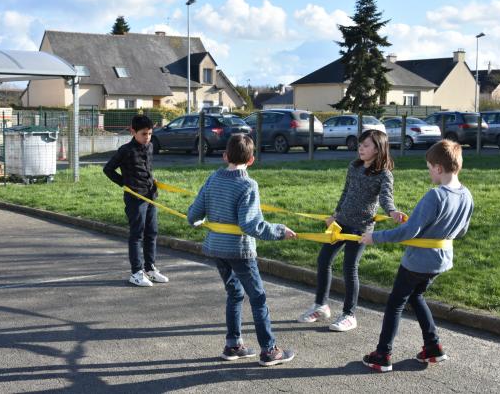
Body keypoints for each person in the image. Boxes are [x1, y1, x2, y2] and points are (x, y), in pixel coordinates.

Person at [360, 139, 474, 372]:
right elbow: (461, 230)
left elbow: (409, 232)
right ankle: (433, 347)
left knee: (395, 303)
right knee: (416, 296)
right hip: (440, 261)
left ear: (439, 168)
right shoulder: (466, 195)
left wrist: (375, 238)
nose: (429, 172)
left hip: (417, 262)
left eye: (429, 167)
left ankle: (382, 355)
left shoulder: (436, 196)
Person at [187, 134, 297, 367]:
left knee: (235, 294)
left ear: (225, 155)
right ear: (252, 160)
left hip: (217, 249)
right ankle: (269, 350)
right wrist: (279, 230)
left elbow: (193, 214)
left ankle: (233, 345)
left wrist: (198, 221)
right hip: (240, 251)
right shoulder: (248, 184)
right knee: (258, 298)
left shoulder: (213, 178)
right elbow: (251, 225)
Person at [297, 129, 406, 332]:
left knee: (349, 268)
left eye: (366, 145)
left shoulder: (384, 174)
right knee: (323, 260)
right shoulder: (354, 167)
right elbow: (345, 192)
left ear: (378, 149)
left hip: (360, 228)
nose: (361, 149)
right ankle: (321, 306)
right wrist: (335, 214)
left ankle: (349, 315)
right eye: (360, 145)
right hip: (341, 224)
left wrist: (392, 212)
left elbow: (385, 198)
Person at [103, 114, 169, 287]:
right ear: (133, 131)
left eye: (149, 133)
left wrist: (152, 183)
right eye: (143, 134)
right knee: (137, 234)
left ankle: (150, 269)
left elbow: (148, 169)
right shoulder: (125, 150)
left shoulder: (150, 146)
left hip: (150, 196)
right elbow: (108, 169)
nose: (147, 137)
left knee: (152, 232)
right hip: (135, 199)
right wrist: (124, 183)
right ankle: (136, 272)